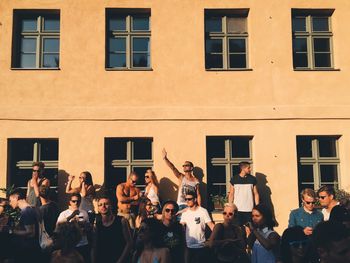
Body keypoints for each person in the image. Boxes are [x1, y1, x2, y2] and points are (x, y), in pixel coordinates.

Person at [93, 196, 133, 263]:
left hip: (119, 258)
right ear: (98, 208)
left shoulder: (121, 220)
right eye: (100, 205)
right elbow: (94, 246)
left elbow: (129, 243)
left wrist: (120, 261)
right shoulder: (97, 224)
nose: (103, 206)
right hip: (103, 259)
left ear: (111, 206)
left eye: (106, 204)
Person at [162, 148, 201, 213]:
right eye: (183, 166)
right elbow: (173, 168)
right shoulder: (181, 177)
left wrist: (199, 208)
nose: (184, 166)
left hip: (191, 205)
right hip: (181, 205)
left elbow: (198, 195)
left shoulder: (195, 181)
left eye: (186, 165)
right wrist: (165, 158)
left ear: (191, 168)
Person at [180, 191, 215, 263]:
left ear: (195, 199)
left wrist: (214, 239)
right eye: (186, 199)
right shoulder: (185, 213)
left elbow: (211, 225)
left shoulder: (203, 211)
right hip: (188, 247)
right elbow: (181, 228)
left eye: (189, 199)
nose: (187, 201)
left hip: (201, 246)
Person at [56, 193, 91, 263]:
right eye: (73, 201)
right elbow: (58, 227)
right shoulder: (64, 213)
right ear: (70, 202)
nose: (76, 203)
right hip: (69, 245)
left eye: (78, 201)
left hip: (83, 243)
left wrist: (84, 227)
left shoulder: (84, 213)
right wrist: (71, 217)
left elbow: (88, 227)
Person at [9, 188, 41, 262]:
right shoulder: (32, 209)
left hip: (29, 250)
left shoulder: (26, 211)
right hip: (33, 249)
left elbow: (30, 232)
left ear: (16, 198)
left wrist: (11, 231)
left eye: (10, 200)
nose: (10, 203)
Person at [228, 162, 259, 226]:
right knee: (238, 229)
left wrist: (258, 207)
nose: (250, 169)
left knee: (250, 229)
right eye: (248, 168)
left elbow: (256, 194)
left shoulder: (252, 179)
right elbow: (231, 194)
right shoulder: (234, 179)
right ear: (243, 168)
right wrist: (230, 207)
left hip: (249, 209)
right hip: (238, 209)